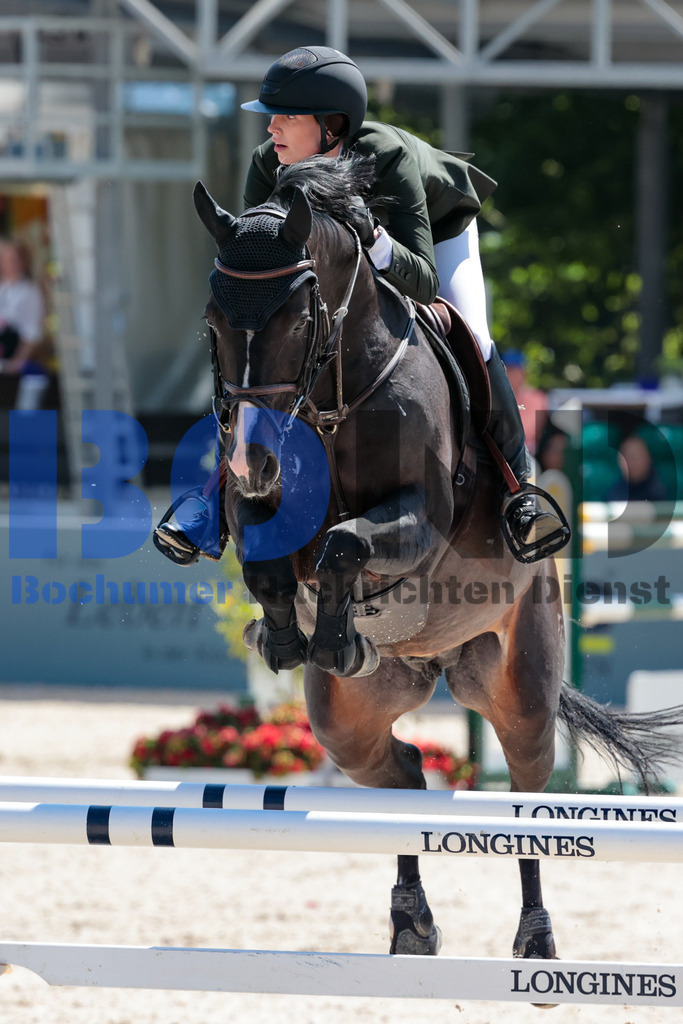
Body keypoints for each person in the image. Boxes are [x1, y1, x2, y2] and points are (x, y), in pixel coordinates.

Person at [155, 45, 569, 566]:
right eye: (271, 117)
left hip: (432, 237)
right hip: (334, 267)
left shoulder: (385, 157)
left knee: (474, 335)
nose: (271, 129)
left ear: (332, 124)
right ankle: (214, 498)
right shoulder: (268, 166)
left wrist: (372, 235)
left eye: (285, 116)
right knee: (260, 351)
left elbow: (421, 280)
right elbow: (263, 275)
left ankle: (518, 491)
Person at [0, 239, 49, 410]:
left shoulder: (29, 292)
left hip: (17, 364)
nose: (8, 263)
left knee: (22, 417)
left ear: (22, 261)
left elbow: (32, 332)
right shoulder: (3, 289)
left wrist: (17, 361)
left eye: (13, 259)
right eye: (5, 259)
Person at [501, 349, 548, 457]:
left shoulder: (536, 399)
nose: (508, 374)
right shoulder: (495, 397)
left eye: (512, 370)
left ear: (524, 373)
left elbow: (525, 432)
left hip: (526, 457)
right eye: (505, 370)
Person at [605, 434, 669, 503]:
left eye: (636, 457)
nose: (632, 463)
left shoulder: (662, 490)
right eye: (627, 457)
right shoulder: (614, 493)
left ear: (648, 458)